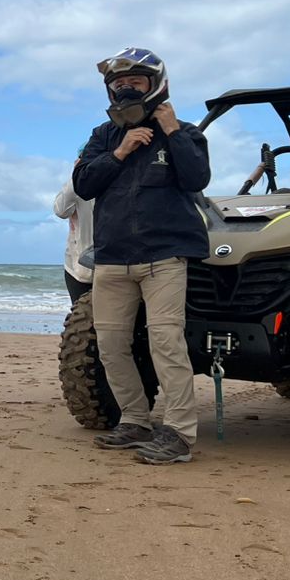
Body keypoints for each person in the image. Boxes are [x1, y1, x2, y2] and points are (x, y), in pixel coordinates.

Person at [72, 47, 210, 465]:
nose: (125, 89)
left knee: (165, 343)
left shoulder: (184, 131)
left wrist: (174, 132)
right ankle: (134, 420)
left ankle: (181, 434)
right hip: (112, 257)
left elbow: (197, 177)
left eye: (135, 82)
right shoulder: (103, 136)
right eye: (118, 84)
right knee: (111, 345)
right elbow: (83, 183)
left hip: (165, 257)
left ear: (156, 86)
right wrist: (121, 151)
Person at [53, 164, 94, 304]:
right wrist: (76, 174)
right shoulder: (78, 185)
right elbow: (60, 210)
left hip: (113, 267)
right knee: (81, 317)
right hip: (78, 268)